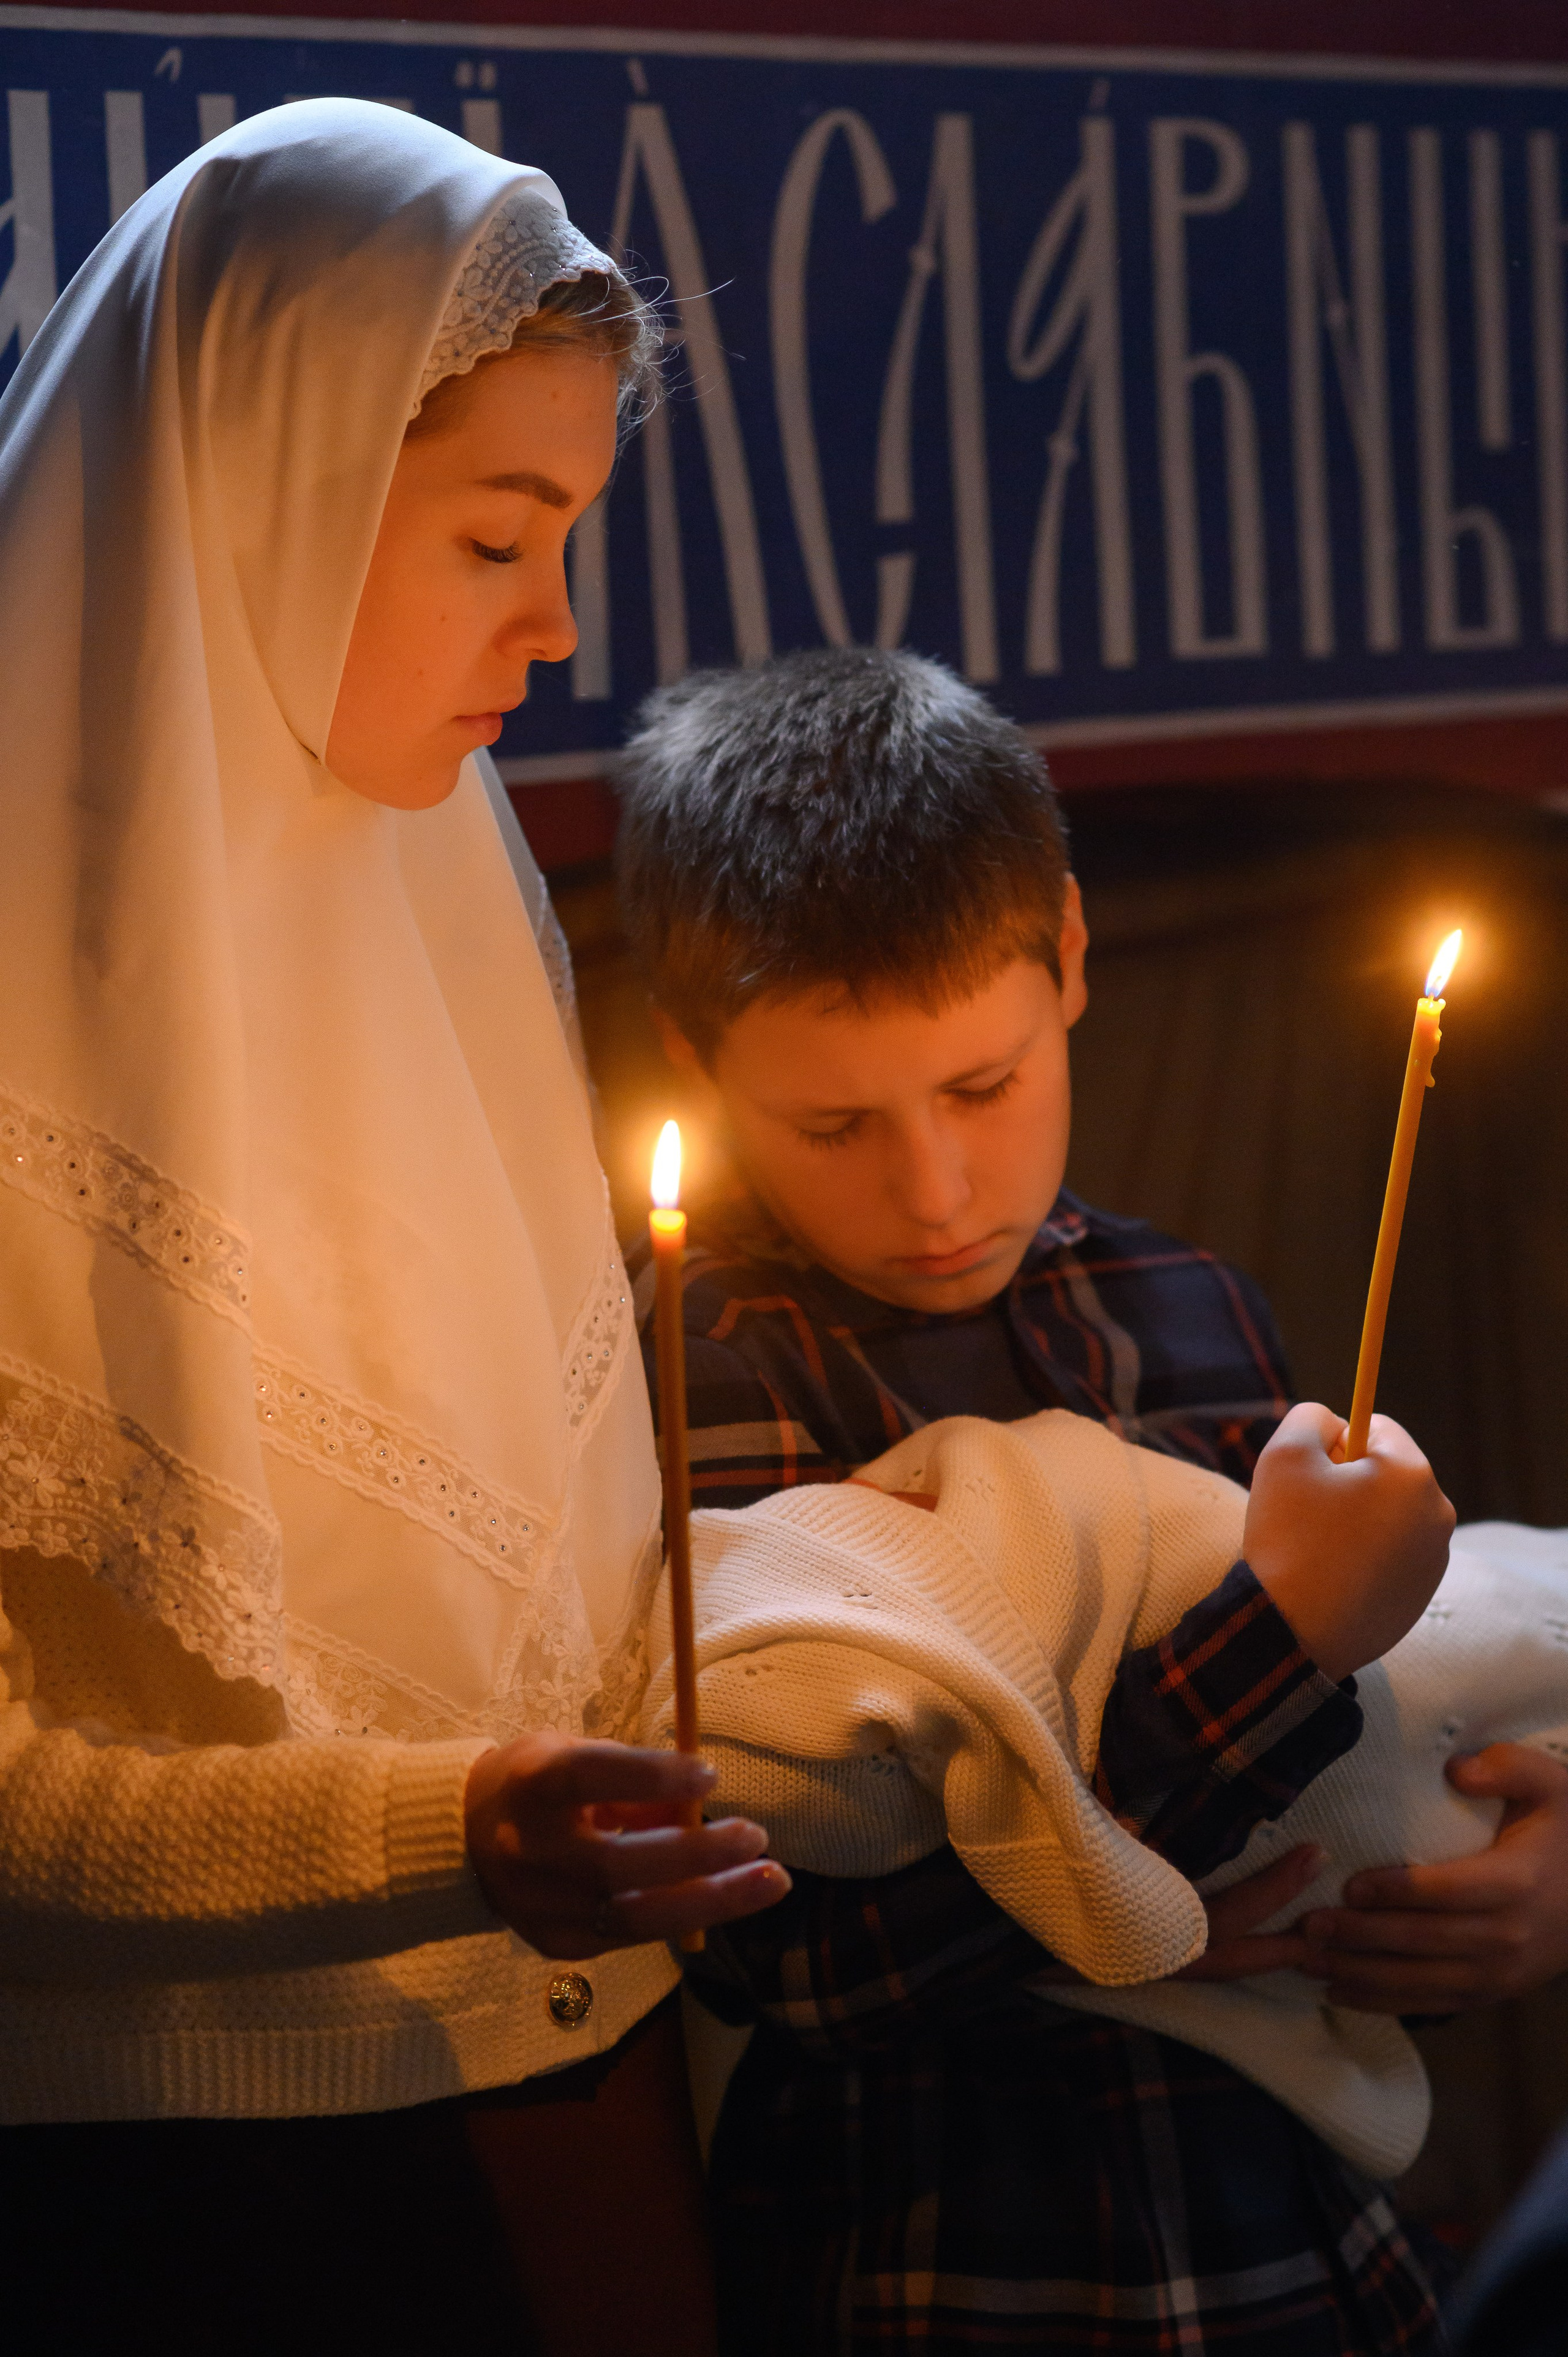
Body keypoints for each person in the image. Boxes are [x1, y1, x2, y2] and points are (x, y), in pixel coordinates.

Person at [0, 100, 810, 2355]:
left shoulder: (436, 923)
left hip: (603, 2110)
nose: (557, 629)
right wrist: (438, 1829)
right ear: (261, 494)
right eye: (496, 537)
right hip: (189, 2202)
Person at [614, 647, 1568, 2353]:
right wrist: (1277, 1643)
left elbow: (1375, 1755)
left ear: (1065, 954)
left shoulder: (1193, 1300)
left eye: (980, 1086)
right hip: (949, 2266)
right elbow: (797, 1961)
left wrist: (1524, 1880)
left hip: (1312, 2248)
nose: (935, 1190)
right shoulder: (696, 1365)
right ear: (693, 1047)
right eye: (833, 1121)